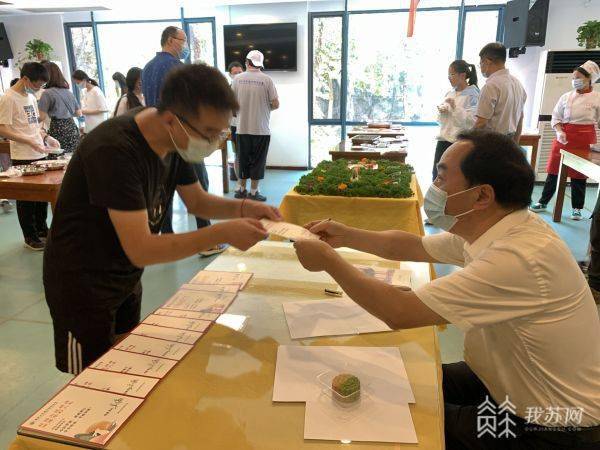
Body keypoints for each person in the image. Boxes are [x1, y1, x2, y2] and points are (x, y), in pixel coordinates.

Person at [294, 130, 600, 449]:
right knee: (398, 379)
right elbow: (414, 246)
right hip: (504, 380)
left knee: (395, 417)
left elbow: (399, 311)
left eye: (442, 177)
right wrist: (345, 237)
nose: (434, 187)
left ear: (482, 196)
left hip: (551, 427)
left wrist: (329, 260)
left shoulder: (518, 257)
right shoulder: (500, 226)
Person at [43, 63, 282, 375]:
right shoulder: (114, 150)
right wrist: (223, 233)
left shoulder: (173, 140)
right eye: (209, 132)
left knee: (125, 366)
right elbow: (141, 248)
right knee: (92, 380)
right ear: (172, 119)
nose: (214, 142)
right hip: (82, 283)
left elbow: (197, 201)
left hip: (124, 278)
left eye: (220, 132)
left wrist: (244, 208)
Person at [142, 26, 217, 253]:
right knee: (199, 189)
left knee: (164, 191)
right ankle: (207, 241)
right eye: (183, 41)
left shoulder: (147, 68)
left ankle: (166, 238)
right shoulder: (178, 69)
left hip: (158, 141)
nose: (185, 46)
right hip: (182, 140)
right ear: (170, 40)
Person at [0, 62, 60, 250]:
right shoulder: (8, 98)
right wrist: (28, 141)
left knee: (41, 197)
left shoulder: (31, 98)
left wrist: (46, 137)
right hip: (23, 154)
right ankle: (30, 237)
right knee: (27, 198)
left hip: (39, 151)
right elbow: (3, 129)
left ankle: (42, 229)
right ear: (25, 78)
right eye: (37, 85)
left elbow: (34, 125)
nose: (39, 88)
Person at [530, 60, 600, 221]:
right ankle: (543, 202)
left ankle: (577, 208)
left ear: (589, 79)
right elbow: (556, 116)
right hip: (564, 138)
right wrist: (559, 131)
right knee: (553, 172)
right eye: (573, 77)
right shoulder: (566, 97)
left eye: (579, 77)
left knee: (579, 175)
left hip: (584, 139)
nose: (575, 80)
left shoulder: (597, 98)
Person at [232, 50, 279, 201]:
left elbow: (231, 105)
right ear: (260, 64)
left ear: (246, 62)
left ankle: (240, 190)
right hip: (261, 130)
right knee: (258, 161)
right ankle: (253, 192)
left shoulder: (237, 79)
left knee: (242, 159)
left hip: (242, 128)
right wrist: (264, 108)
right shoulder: (267, 80)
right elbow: (276, 103)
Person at [433, 59, 479, 181]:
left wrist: (454, 108)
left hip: (458, 142)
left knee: (453, 179)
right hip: (443, 140)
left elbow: (471, 123)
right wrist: (442, 112)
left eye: (452, 74)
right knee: (437, 176)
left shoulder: (472, 95)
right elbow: (442, 121)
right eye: (448, 75)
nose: (449, 78)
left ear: (462, 75)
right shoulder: (450, 93)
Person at [474, 43, 526, 143]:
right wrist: (515, 145)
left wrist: (466, 142)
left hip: (492, 142)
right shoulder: (518, 84)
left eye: (480, 64)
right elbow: (521, 117)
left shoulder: (491, 86)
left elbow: (481, 123)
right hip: (509, 142)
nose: (480, 67)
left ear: (487, 62)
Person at [38, 61, 82, 154]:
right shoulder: (68, 92)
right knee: (72, 159)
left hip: (58, 129)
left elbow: (41, 117)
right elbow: (78, 113)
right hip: (72, 128)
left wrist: (28, 123)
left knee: (57, 159)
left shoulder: (46, 93)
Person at [72, 70, 108, 134]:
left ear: (84, 80)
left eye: (78, 83)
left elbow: (104, 109)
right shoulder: (84, 92)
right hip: (89, 128)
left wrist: (86, 112)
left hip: (98, 127)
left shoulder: (96, 91)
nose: (77, 85)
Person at [227, 61, 244, 181]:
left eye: (240, 72)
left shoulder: (249, 87)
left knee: (250, 155)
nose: (238, 75)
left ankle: (252, 184)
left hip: (249, 125)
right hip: (234, 126)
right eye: (235, 73)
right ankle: (240, 183)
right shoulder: (227, 89)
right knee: (238, 155)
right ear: (230, 75)